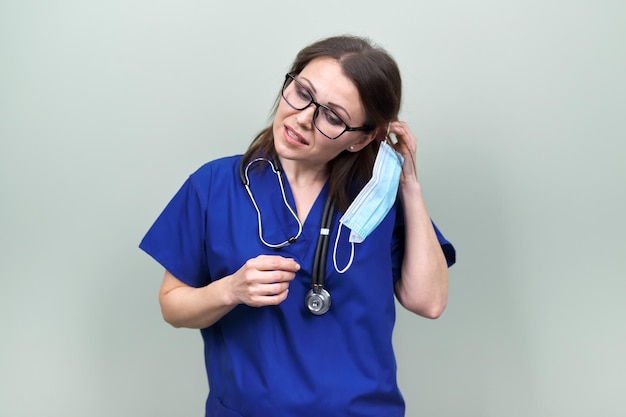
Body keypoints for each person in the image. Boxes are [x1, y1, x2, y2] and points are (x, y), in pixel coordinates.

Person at [139, 35, 456, 417]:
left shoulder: (376, 199)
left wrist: (408, 184)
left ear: (362, 139)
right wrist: (230, 290)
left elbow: (429, 301)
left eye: (333, 117)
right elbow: (172, 306)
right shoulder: (213, 186)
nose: (303, 118)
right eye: (302, 92)